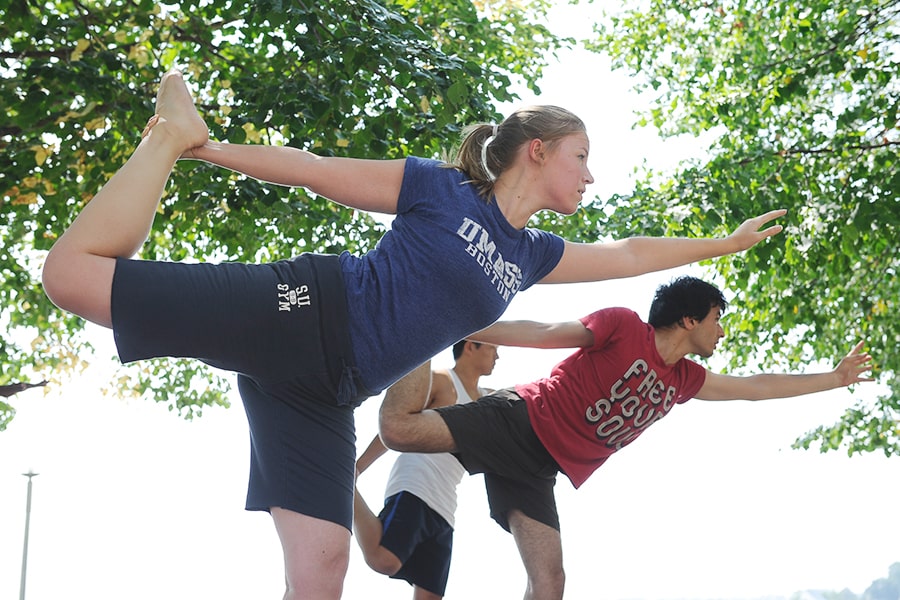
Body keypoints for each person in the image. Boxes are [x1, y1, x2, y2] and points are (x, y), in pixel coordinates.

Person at [40, 69, 787, 599]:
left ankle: (176, 139)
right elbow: (315, 171)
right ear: (538, 150)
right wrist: (206, 149)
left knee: (324, 572)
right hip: (306, 311)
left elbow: (628, 255)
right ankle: (168, 136)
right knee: (73, 279)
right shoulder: (439, 188)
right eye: (582, 156)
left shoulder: (533, 253)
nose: (591, 176)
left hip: (326, 395)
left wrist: (718, 246)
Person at [378, 276, 874, 600]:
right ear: (688, 319)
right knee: (398, 429)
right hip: (520, 418)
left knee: (549, 585)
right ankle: (419, 330)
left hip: (539, 468)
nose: (721, 331)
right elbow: (548, 329)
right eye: (717, 318)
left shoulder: (685, 381)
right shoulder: (622, 326)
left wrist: (832, 378)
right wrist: (463, 324)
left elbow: (756, 389)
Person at [354, 339, 498, 599]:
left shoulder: (488, 400)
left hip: (446, 507)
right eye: (492, 348)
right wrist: (357, 468)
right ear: (470, 347)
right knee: (384, 558)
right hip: (417, 483)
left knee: (430, 595)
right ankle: (344, 487)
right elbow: (396, 423)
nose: (498, 356)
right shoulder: (442, 382)